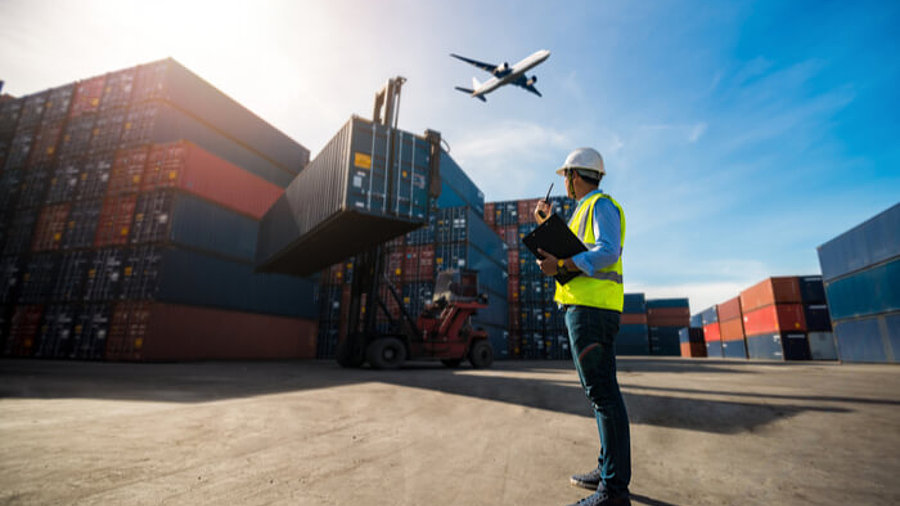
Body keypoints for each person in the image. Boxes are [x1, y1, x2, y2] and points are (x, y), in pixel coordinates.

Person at [533, 148, 631, 506]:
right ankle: (608, 471)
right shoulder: (581, 211)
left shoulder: (601, 205)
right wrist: (548, 226)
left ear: (576, 175)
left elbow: (607, 252)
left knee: (604, 396)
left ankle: (614, 492)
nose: (564, 182)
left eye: (566, 175)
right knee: (600, 395)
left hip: (593, 310)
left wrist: (560, 262)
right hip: (584, 307)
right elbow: (573, 252)